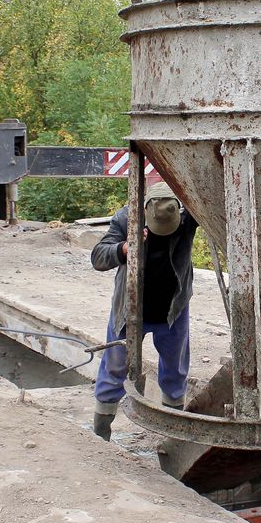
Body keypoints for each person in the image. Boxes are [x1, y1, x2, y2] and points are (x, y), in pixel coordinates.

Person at [90, 182, 198, 441]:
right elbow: (98, 257)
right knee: (114, 368)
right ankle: (100, 435)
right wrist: (124, 248)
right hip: (130, 310)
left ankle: (173, 436)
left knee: (175, 371)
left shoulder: (188, 219)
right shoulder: (126, 218)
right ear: (146, 212)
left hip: (172, 309)